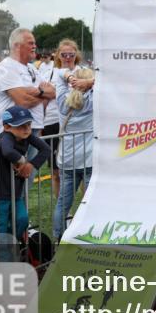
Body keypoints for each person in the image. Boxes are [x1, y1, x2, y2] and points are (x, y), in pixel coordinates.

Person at [0, 106, 50, 261]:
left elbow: (45, 149)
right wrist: (22, 162)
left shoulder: (27, 136)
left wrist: (30, 165)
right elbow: (7, 151)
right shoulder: (5, 137)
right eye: (21, 126)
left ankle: (8, 244)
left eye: (28, 124)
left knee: (22, 219)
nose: (26, 129)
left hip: (15, 194)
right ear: (7, 127)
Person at [52, 67, 95, 240]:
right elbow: (109, 82)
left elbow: (59, 73)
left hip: (67, 160)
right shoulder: (93, 99)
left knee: (62, 203)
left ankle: (58, 239)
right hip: (88, 160)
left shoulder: (62, 99)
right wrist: (90, 82)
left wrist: (69, 77)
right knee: (91, 203)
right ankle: (90, 238)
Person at [0, 28, 54, 138]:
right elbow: (23, 101)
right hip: (12, 130)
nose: (35, 46)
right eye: (30, 43)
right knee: (17, 156)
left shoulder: (32, 68)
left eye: (35, 43)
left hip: (33, 127)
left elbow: (53, 92)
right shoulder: (5, 67)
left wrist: (36, 92)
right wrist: (43, 94)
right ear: (17, 46)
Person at [37, 50, 61, 196]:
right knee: (56, 172)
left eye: (70, 54)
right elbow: (42, 98)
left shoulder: (79, 72)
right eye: (63, 54)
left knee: (80, 172)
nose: (66, 57)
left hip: (71, 125)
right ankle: (64, 212)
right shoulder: (44, 71)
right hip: (50, 123)